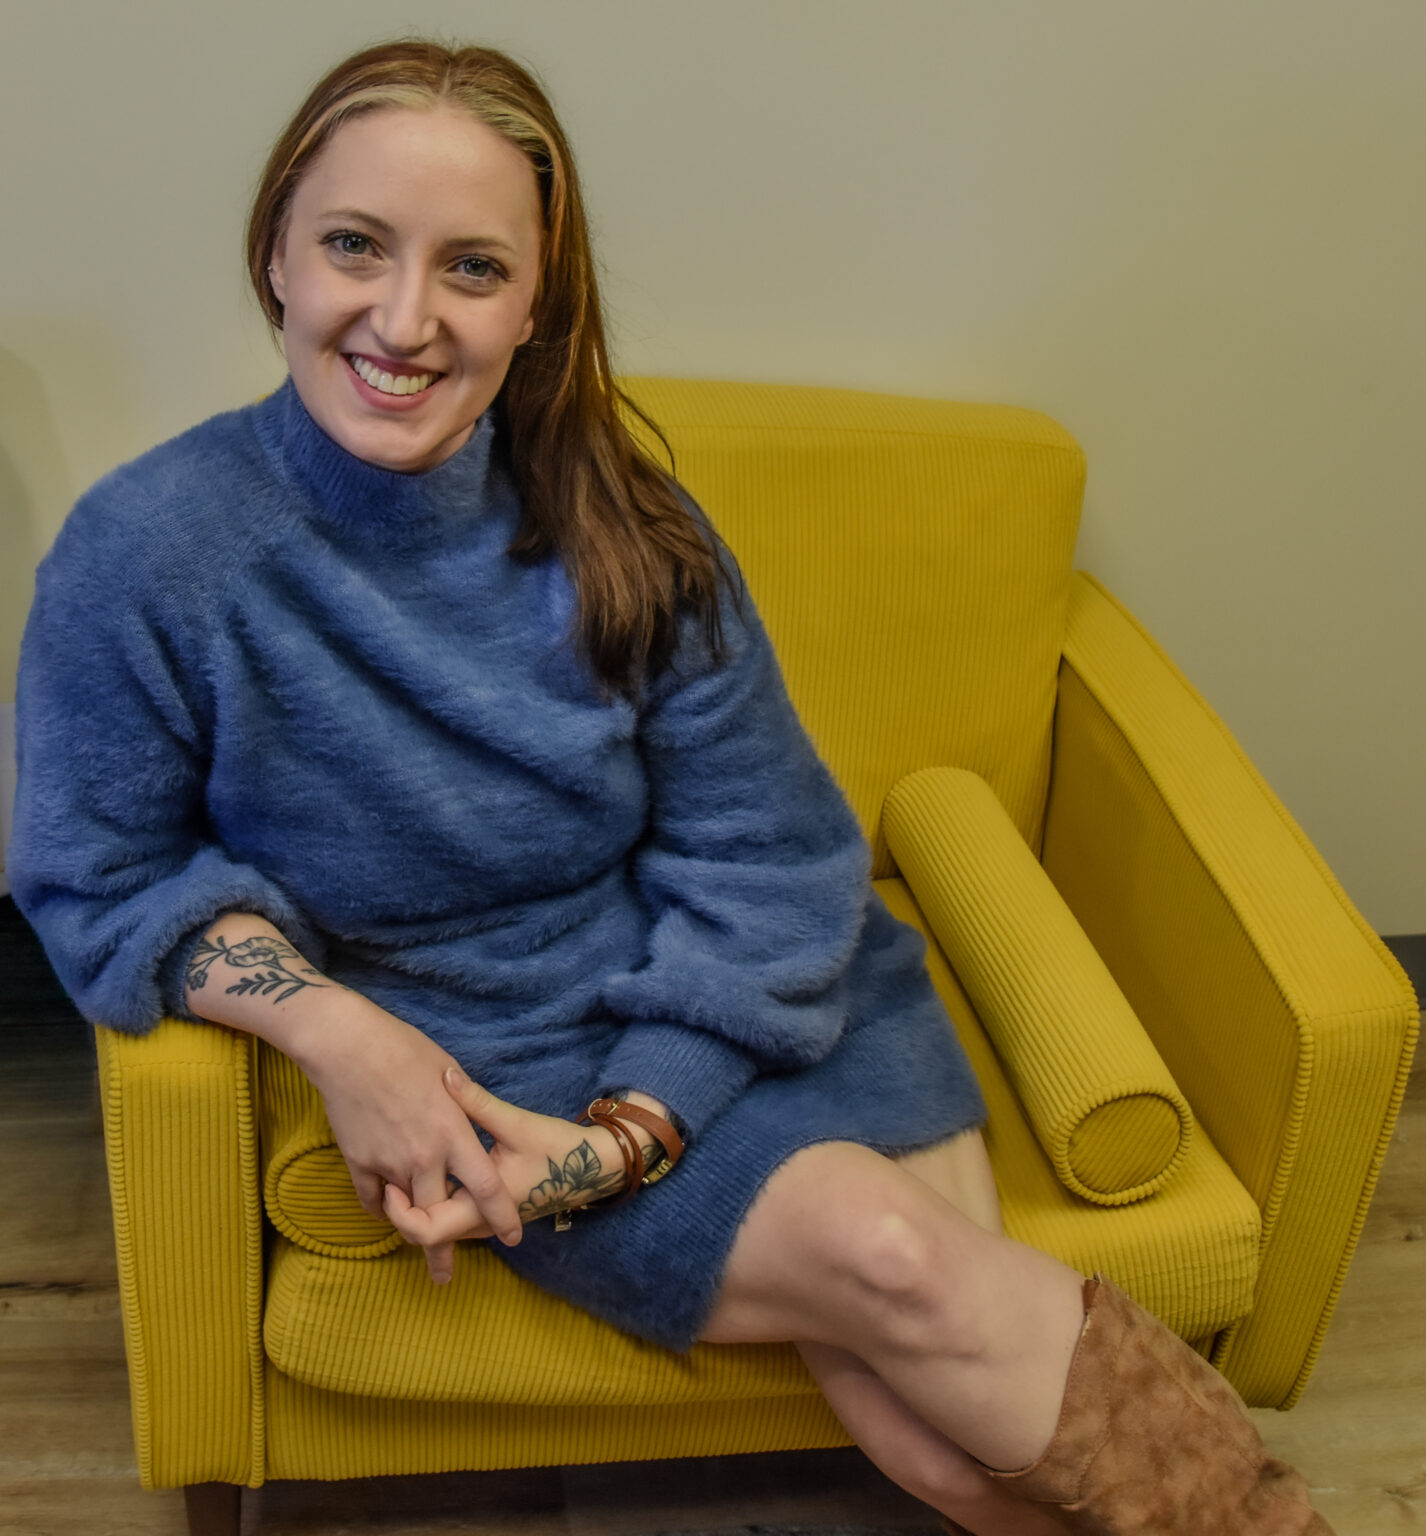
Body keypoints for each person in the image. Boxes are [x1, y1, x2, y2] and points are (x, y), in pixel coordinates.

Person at [10, 39, 1332, 1536]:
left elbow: (774, 856)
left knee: (950, 1449)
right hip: (503, 1057)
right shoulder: (145, 555)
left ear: (535, 306)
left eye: (472, 268)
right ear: (275, 255)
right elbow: (96, 878)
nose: (404, 318)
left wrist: (637, 1128)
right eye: (354, 246)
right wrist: (335, 1030)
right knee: (905, 1277)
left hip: (754, 987)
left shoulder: (624, 523)